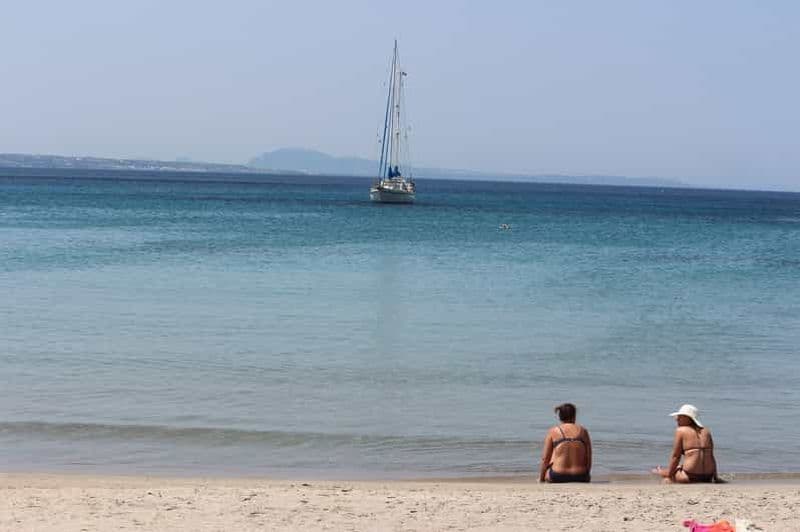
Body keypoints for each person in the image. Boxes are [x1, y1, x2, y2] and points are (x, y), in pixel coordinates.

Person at [653, 404, 719, 483]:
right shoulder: (706, 431)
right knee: (678, 467)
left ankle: (659, 471)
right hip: (708, 476)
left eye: (679, 416)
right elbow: (711, 456)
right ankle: (663, 471)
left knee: (664, 472)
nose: (676, 419)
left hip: (689, 476)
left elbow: (676, 457)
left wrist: (669, 476)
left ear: (688, 418)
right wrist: (715, 477)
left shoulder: (681, 430)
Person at [539, 403, 592, 483]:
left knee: (555, 452)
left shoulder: (554, 431)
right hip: (580, 476)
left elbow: (545, 459)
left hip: (558, 475)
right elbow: (589, 457)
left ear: (560, 416)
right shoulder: (583, 431)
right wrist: (586, 475)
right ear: (574, 416)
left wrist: (541, 478)